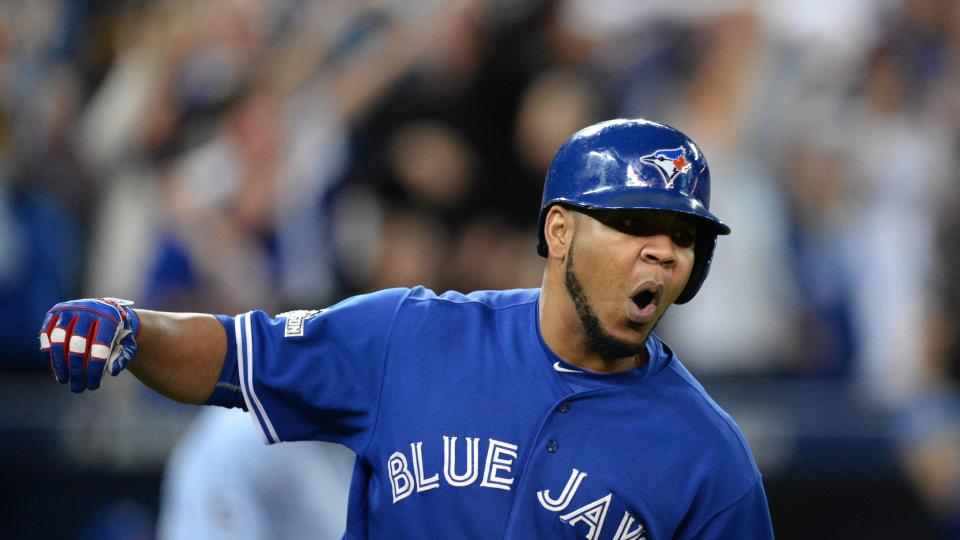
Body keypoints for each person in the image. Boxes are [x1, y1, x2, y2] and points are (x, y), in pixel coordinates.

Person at [39, 119, 775, 539]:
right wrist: (135, 329)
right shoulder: (412, 336)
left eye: (683, 237)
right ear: (558, 232)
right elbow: (234, 355)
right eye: (633, 223)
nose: (662, 250)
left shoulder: (710, 461)